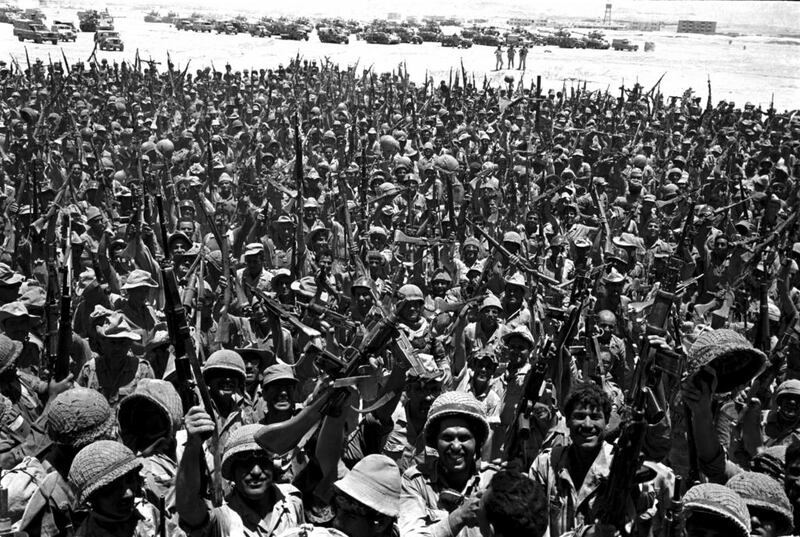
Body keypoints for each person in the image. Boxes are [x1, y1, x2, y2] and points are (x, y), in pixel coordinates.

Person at [177, 419, 305, 536]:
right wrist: (193, 445)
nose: (256, 471)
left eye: (263, 460)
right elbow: (189, 509)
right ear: (232, 471)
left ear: (274, 465)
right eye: (245, 463)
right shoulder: (223, 518)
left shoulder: (292, 500)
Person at [399, 391, 493, 537]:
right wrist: (459, 516)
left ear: (477, 442)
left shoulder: (491, 482)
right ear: (435, 442)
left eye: (464, 438)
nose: (455, 446)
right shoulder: (416, 481)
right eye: (447, 437)